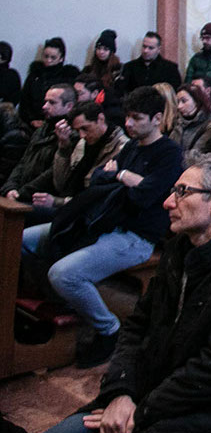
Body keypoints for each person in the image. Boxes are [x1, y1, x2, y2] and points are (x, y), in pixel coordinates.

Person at [35, 152, 211, 433]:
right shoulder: (180, 249)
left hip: (203, 423)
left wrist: (141, 412)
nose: (167, 202)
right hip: (145, 398)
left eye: (182, 192)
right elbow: (136, 326)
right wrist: (121, 392)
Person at [21, 86, 183, 367]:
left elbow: (146, 195)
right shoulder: (131, 147)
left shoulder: (169, 153)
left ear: (157, 118)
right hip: (103, 223)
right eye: (127, 117)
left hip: (136, 236)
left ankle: (108, 330)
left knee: (63, 274)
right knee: (21, 240)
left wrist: (118, 175)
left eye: (136, 118)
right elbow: (96, 179)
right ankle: (64, 305)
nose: (128, 124)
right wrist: (125, 177)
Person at [21, 102, 129, 225]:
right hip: (67, 204)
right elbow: (61, 184)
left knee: (21, 216)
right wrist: (64, 148)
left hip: (84, 215)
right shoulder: (83, 143)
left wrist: (56, 201)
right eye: (77, 130)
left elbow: (94, 197)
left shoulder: (121, 148)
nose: (82, 135)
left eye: (85, 128)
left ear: (100, 119)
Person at [3, 84, 76, 203]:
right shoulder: (41, 130)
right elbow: (23, 162)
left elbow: (52, 173)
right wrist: (10, 187)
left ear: (69, 106)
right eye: (45, 101)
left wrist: (21, 193)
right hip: (20, 193)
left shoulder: (71, 136)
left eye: (52, 103)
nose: (44, 106)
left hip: (41, 199)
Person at [20, 37, 80, 127]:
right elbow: (25, 101)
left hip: (60, 123)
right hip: (32, 123)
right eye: (46, 56)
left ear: (61, 58)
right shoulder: (35, 75)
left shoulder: (68, 77)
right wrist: (31, 120)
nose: (49, 60)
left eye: (53, 57)